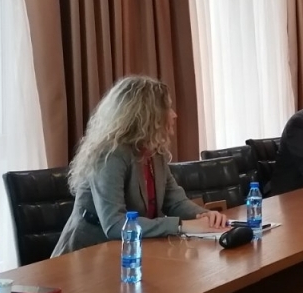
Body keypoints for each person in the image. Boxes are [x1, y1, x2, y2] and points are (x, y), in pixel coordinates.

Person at [52, 76, 227, 257]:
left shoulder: (154, 151)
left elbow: (175, 202)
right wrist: (182, 225)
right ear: (147, 115)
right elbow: (115, 225)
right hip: (86, 255)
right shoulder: (110, 154)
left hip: (128, 252)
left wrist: (204, 216)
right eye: (167, 108)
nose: (174, 114)